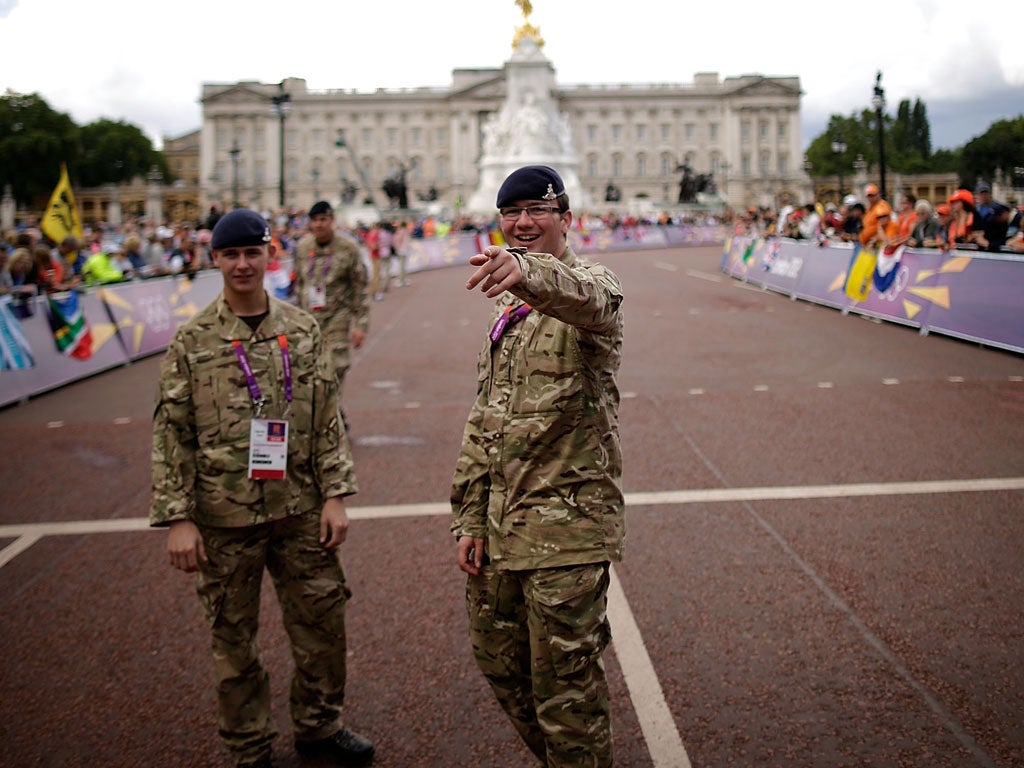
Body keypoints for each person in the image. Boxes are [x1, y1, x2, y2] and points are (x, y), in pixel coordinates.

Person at [150, 208, 374, 768]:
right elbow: (171, 431)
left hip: (299, 505)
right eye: (232, 255)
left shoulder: (301, 329)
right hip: (223, 515)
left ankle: (320, 726)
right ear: (216, 259)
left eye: (253, 252)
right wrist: (177, 517)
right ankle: (249, 745)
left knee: (322, 624)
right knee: (233, 640)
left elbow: (327, 417)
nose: (243, 264)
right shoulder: (193, 340)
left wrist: (335, 495)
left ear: (270, 255)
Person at [451, 165, 624, 767]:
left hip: (566, 532)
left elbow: (596, 300)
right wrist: (470, 517)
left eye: (537, 209)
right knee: (501, 668)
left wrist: (527, 272)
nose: (523, 222)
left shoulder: (588, 286)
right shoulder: (504, 311)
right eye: (511, 212)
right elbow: (485, 420)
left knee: (567, 696)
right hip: (501, 528)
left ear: (565, 218)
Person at [293, 201, 371, 403]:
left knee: (336, 365)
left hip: (338, 314)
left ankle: (333, 414)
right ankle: (324, 414)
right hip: (309, 317)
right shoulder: (303, 248)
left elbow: (360, 287)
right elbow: (299, 284)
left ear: (331, 221)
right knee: (308, 368)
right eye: (314, 221)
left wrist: (361, 324)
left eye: (323, 220)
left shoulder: (348, 248)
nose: (319, 225)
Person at [971, 181, 1010, 251]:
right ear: (978, 195)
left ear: (990, 194)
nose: (984, 196)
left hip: (994, 245)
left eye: (986, 193)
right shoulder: (976, 210)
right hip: (980, 245)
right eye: (981, 193)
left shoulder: (1000, 209)